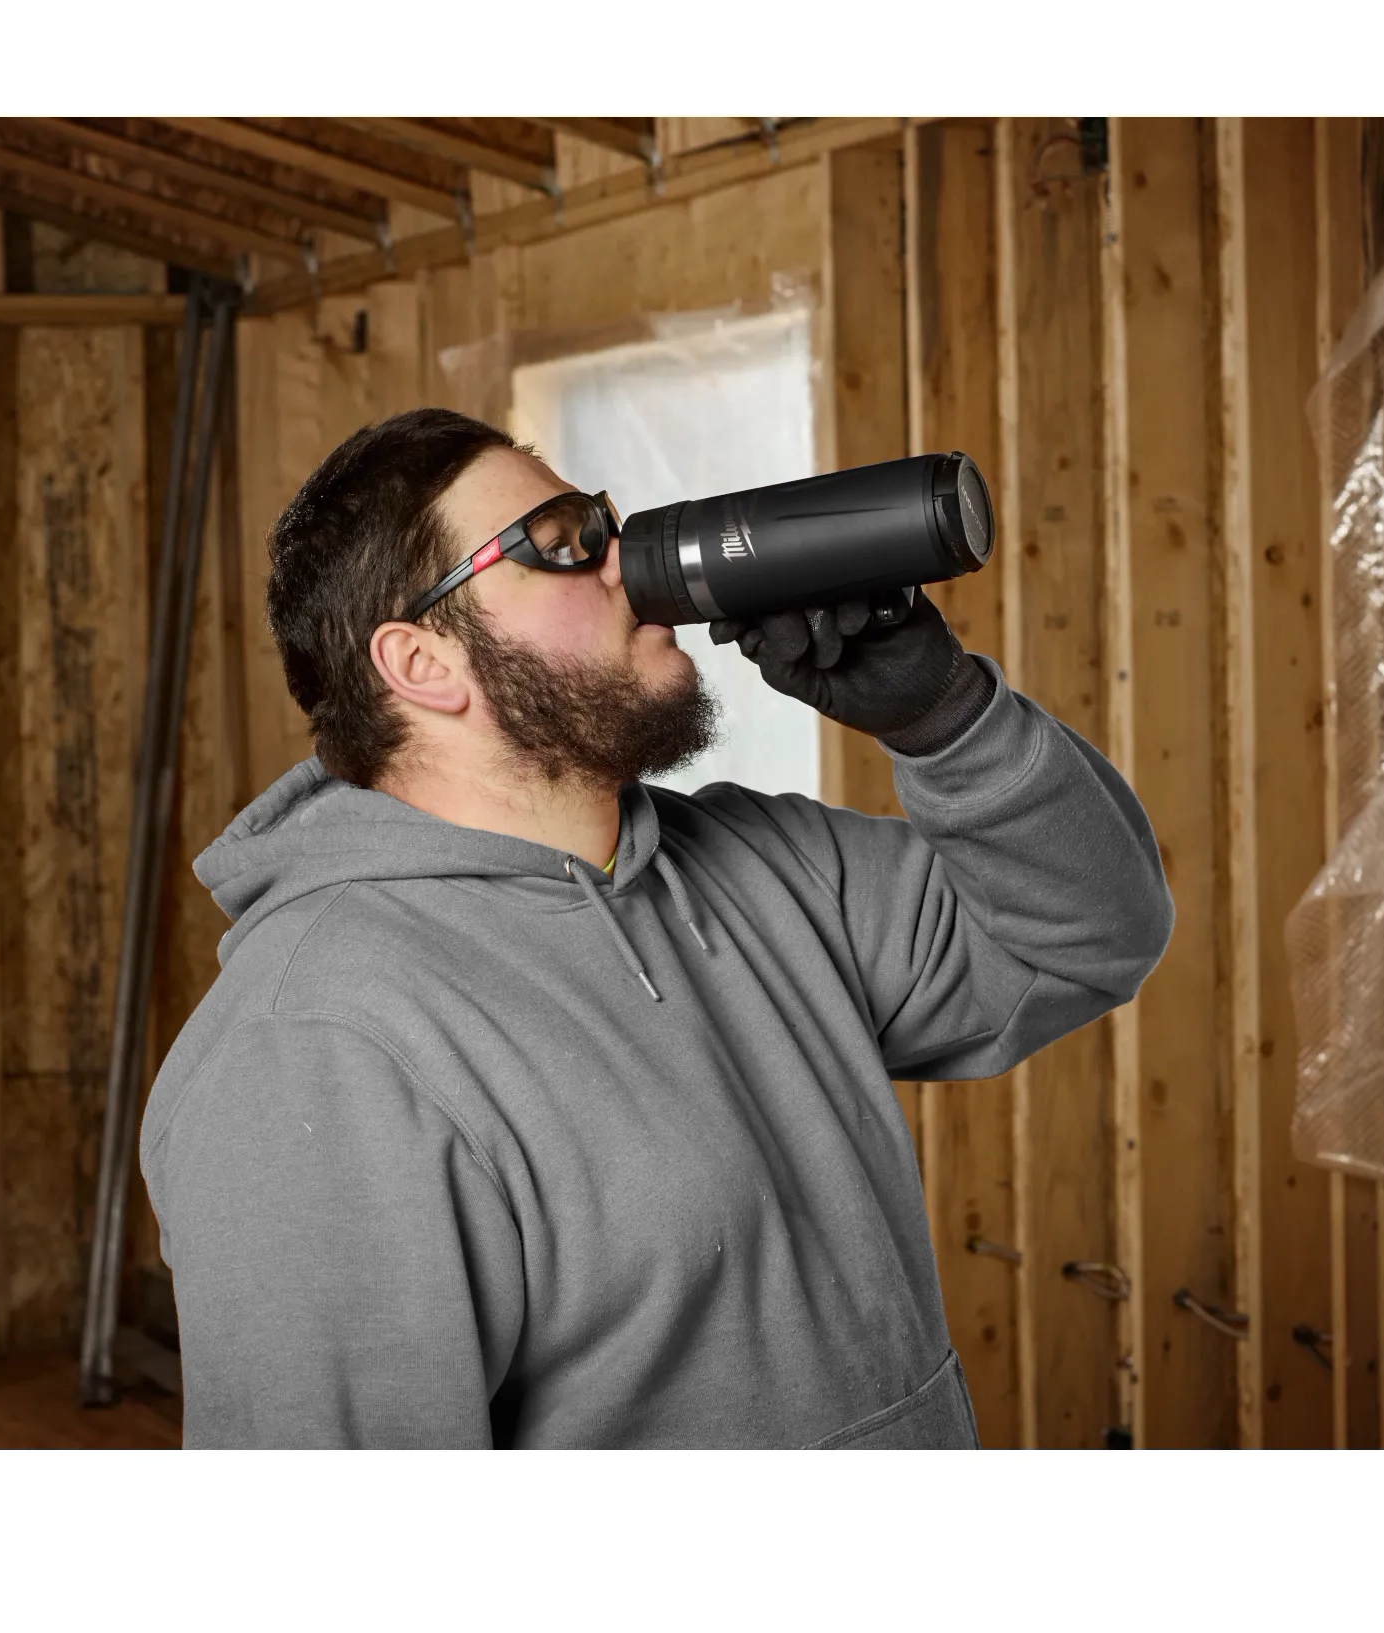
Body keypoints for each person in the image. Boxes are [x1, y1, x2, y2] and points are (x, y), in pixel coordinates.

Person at [141, 407, 1172, 1448]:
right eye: (559, 544)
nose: (626, 562)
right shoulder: (312, 1049)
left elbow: (1089, 935)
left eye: (604, 522)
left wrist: (943, 718)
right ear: (421, 663)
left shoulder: (765, 866)